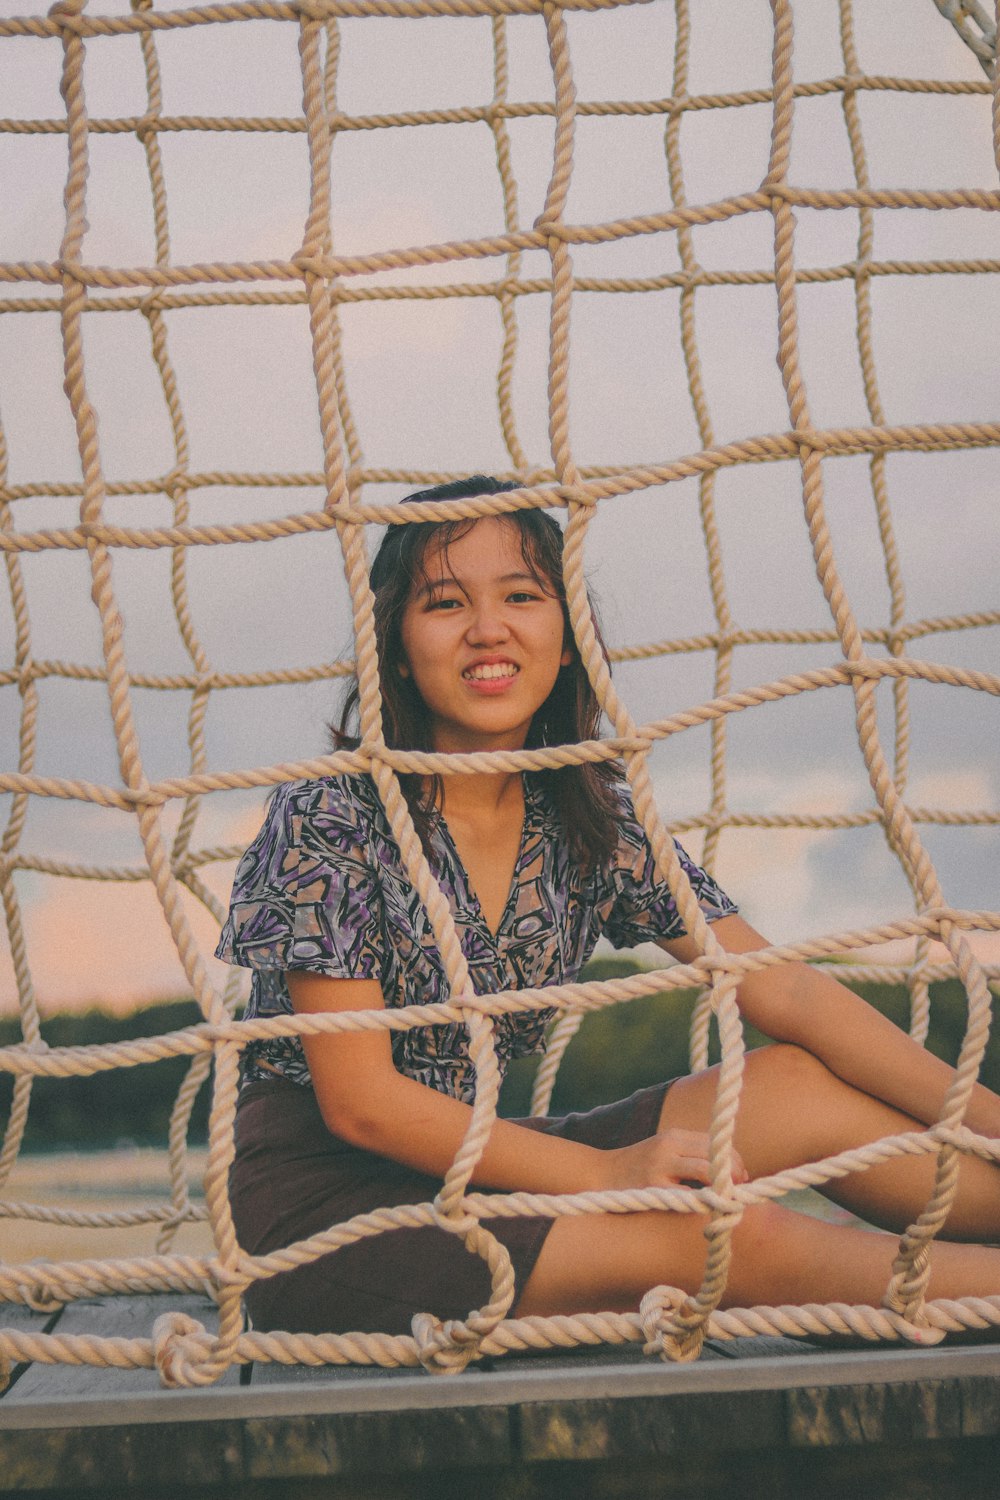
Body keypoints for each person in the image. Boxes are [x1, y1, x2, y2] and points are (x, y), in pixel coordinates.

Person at [217, 476, 1000, 1338]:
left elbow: (789, 993)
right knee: (709, 1233)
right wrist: (606, 1174)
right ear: (396, 647)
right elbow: (361, 1102)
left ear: (566, 637)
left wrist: (990, 1120)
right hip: (328, 1212)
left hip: (471, 1168)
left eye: (522, 595)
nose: (489, 627)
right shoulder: (333, 814)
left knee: (796, 1087)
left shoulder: (589, 816)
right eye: (446, 603)